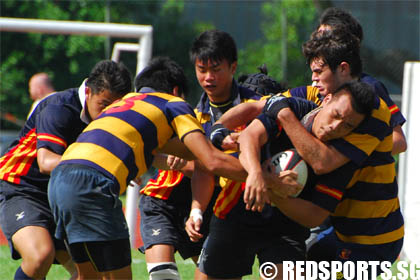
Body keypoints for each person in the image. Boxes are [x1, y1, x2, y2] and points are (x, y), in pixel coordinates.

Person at [47, 56, 294, 280]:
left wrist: (220, 142)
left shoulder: (125, 106)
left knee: (86, 277)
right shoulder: (173, 105)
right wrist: (265, 179)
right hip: (94, 184)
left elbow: (187, 154)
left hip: (60, 178)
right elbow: (210, 161)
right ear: (177, 91)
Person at [205, 29, 403, 277]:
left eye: (319, 71)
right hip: (337, 228)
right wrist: (219, 130)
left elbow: (321, 163)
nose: (313, 78)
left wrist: (284, 116)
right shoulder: (316, 96)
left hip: (372, 235)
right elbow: (257, 107)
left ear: (342, 69)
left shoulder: (370, 109)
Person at [138, 30, 268, 280]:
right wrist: (197, 210)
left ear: (233, 67)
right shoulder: (193, 118)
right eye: (201, 69)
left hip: (269, 209)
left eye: (216, 69)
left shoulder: (258, 105)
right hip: (225, 213)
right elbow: (203, 167)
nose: (208, 78)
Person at [223, 81, 375, 279]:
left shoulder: (342, 159)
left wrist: (276, 191)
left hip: (287, 228)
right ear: (327, 100)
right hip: (238, 209)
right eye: (336, 115)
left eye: (347, 125)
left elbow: (315, 216)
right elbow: (248, 137)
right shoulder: (294, 108)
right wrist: (256, 173)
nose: (335, 126)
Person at [0, 60, 132, 280]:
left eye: (115, 108)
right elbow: (46, 161)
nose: (108, 114)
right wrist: (100, 167)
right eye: (104, 104)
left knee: (93, 275)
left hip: (66, 194)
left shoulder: (110, 117)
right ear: (88, 91)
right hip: (23, 187)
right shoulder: (58, 108)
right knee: (40, 256)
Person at [315, 7, 407, 155]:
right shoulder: (318, 85)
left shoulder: (369, 88)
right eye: (317, 38)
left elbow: (399, 141)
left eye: (326, 39)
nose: (317, 45)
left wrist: (353, 154)